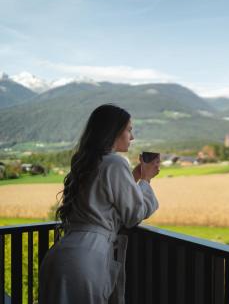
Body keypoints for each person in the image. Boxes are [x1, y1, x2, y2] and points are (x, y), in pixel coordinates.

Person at [39, 104, 160, 304]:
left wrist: (134, 177)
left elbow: (103, 197)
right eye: (129, 130)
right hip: (86, 261)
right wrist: (145, 180)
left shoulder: (86, 161)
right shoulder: (115, 162)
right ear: (114, 131)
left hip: (59, 257)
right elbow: (134, 214)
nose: (132, 137)